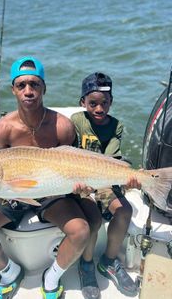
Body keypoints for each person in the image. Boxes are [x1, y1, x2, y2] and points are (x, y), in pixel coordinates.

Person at [0, 56, 102, 299]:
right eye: (22, 85)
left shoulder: (62, 126)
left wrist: (81, 187)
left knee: (81, 231)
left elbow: (69, 166)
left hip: (52, 191)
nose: (28, 91)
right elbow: (0, 167)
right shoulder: (2, 129)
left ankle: (52, 277)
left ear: (44, 88)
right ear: (13, 90)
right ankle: (9, 271)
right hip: (13, 191)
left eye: (34, 85)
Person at [71, 72, 141, 297]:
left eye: (105, 103)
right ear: (83, 102)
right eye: (93, 104)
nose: (99, 109)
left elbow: (110, 159)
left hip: (105, 179)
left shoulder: (116, 126)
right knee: (93, 217)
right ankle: (87, 263)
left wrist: (128, 177)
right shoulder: (76, 121)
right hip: (80, 180)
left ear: (111, 102)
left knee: (124, 210)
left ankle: (109, 261)